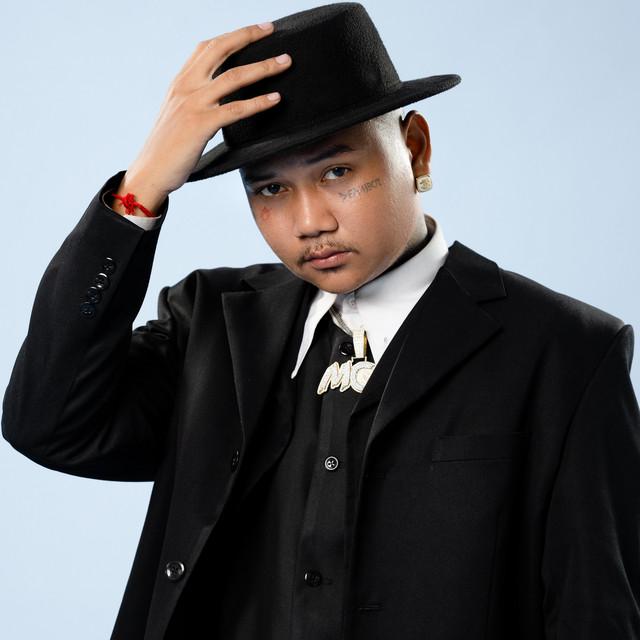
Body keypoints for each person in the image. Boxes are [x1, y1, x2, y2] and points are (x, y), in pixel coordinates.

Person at [3, 3, 639, 639]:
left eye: (338, 172)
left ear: (415, 150)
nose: (310, 222)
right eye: (270, 189)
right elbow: (51, 424)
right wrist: (139, 190)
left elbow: (596, 614)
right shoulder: (212, 326)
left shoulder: (565, 352)